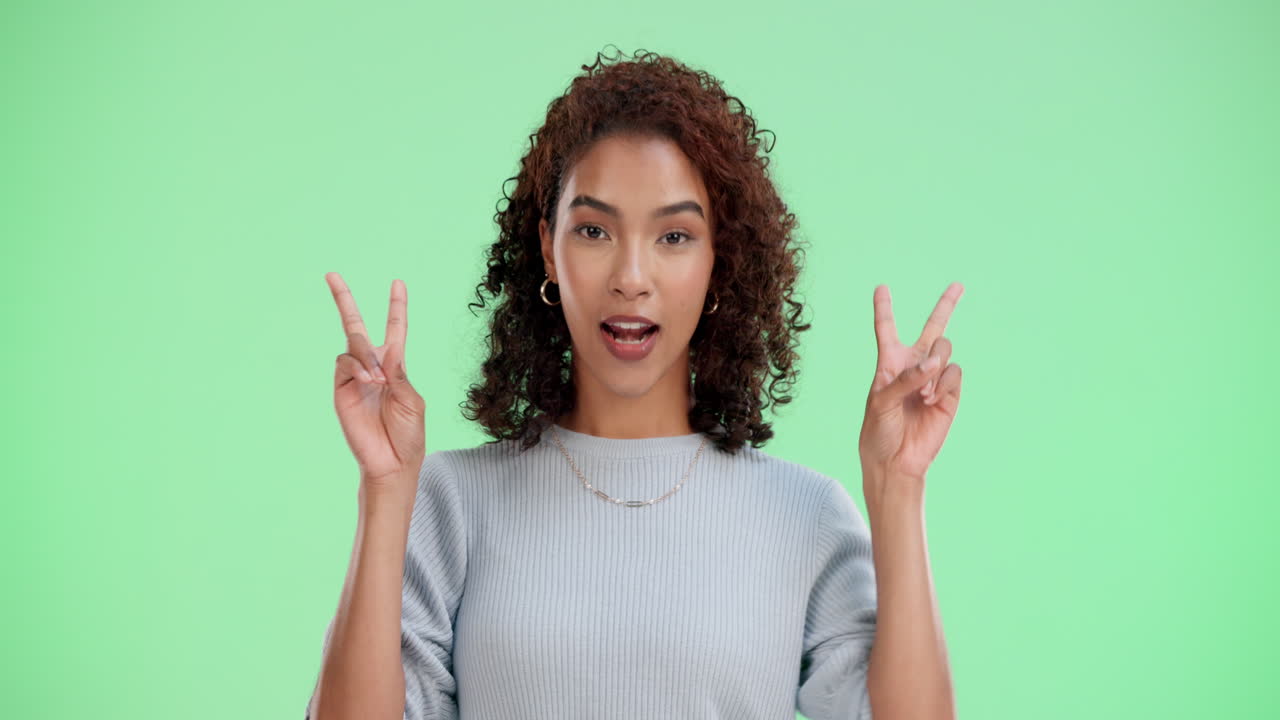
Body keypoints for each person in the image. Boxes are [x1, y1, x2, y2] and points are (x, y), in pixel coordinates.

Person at [305, 47, 962, 720]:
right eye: (593, 230)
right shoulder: (451, 503)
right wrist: (384, 491)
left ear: (718, 263)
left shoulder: (806, 516)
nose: (631, 277)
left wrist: (898, 486)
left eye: (674, 237)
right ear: (548, 250)